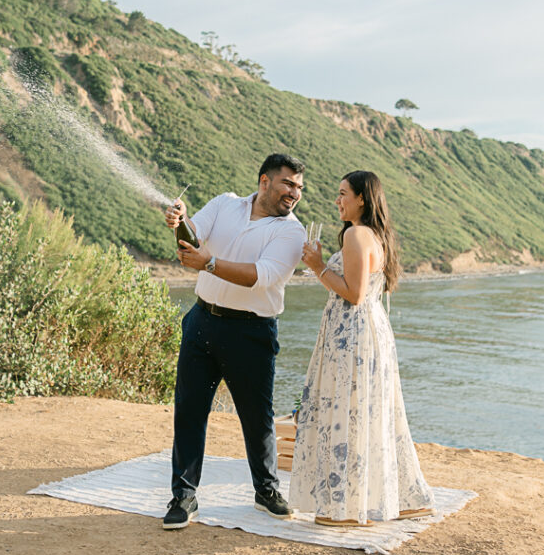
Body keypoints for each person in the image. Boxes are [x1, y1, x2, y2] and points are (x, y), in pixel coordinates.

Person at [162, 153, 306, 529]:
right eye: (288, 184)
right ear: (264, 181)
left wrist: (208, 264)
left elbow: (262, 275)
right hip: (201, 320)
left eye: (299, 187)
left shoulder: (292, 232)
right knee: (189, 410)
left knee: (257, 418)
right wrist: (179, 220)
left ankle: (267, 490)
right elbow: (193, 236)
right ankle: (183, 496)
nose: (295, 193)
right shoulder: (224, 203)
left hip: (252, 331)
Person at [288, 170, 435, 526]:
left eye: (343, 194)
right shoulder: (375, 236)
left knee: (346, 413)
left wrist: (319, 266)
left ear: (362, 199)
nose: (337, 200)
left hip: (351, 334)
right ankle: (404, 498)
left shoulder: (355, 235)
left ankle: (345, 508)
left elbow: (352, 295)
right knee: (371, 413)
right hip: (370, 330)